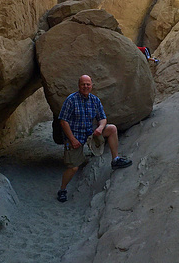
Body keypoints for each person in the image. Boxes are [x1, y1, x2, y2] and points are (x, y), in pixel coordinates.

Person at [56, 74, 132, 202]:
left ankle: (115, 159)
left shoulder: (95, 100)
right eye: (83, 84)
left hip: (89, 133)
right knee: (73, 167)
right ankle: (62, 189)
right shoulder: (71, 100)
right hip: (74, 135)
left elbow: (102, 118)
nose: (86, 86)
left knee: (112, 128)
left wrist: (100, 128)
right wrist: (72, 139)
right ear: (79, 86)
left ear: (92, 86)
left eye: (88, 84)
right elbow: (64, 121)